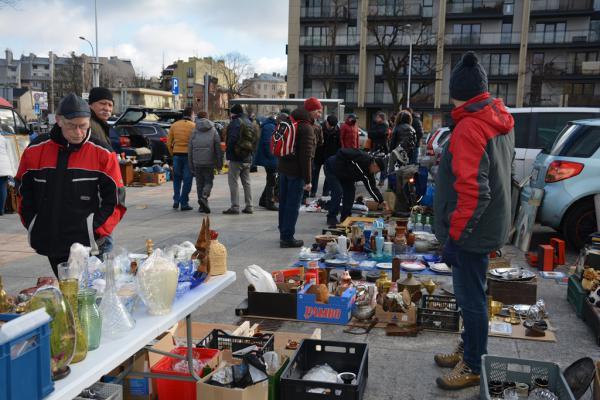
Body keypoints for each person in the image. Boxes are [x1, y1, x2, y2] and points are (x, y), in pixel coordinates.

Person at [433, 51, 514, 391]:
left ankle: (475, 363)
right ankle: (469, 347)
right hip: (488, 224)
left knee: (472, 299)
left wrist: (456, 236)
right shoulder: (498, 117)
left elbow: (473, 192)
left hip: (471, 230)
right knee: (474, 294)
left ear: (457, 93)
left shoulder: (470, 127)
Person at [15, 93, 126, 277]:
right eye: (71, 126)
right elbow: (22, 192)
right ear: (59, 120)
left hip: (90, 244)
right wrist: (34, 224)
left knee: (91, 296)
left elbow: (116, 200)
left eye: (83, 126)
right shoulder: (35, 150)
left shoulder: (103, 153)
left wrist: (95, 230)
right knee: (68, 295)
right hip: (51, 241)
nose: (78, 132)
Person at [277, 97, 320, 248]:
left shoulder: (290, 121)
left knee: (284, 203)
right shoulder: (306, 127)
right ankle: (287, 237)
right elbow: (306, 156)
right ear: (310, 110)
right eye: (317, 110)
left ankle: (283, 231)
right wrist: (308, 180)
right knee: (293, 205)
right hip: (296, 173)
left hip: (283, 169)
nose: (319, 114)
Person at [324, 148, 387, 227]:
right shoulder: (361, 156)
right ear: (374, 164)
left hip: (346, 176)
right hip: (332, 168)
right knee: (338, 191)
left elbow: (372, 188)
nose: (375, 173)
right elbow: (341, 152)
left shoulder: (369, 174)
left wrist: (381, 201)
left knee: (350, 192)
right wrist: (341, 169)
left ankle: (345, 217)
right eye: (376, 170)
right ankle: (331, 217)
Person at [223, 104, 255, 215]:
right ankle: (249, 206)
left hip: (236, 158)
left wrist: (229, 154)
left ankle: (235, 207)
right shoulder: (249, 122)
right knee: (247, 183)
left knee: (233, 182)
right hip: (247, 156)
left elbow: (231, 140)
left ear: (233, 113)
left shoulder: (235, 123)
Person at [189, 111, 222, 214]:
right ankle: (204, 197)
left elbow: (190, 149)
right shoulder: (213, 130)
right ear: (207, 117)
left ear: (198, 118)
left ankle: (202, 206)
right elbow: (218, 147)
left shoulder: (194, 130)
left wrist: (191, 164)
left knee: (199, 183)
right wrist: (219, 163)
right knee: (208, 181)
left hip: (197, 161)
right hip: (209, 161)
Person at [168, 107, 195, 211]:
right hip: (188, 156)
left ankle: (176, 199)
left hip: (176, 155)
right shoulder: (193, 126)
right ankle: (184, 203)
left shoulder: (174, 125)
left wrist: (172, 153)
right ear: (191, 115)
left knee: (177, 179)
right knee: (188, 180)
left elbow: (168, 143)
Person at [255, 113, 278, 211]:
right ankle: (270, 202)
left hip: (270, 158)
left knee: (271, 180)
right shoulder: (270, 127)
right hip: (270, 158)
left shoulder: (270, 126)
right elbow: (268, 144)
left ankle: (264, 200)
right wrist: (273, 158)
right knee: (272, 180)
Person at [313, 114, 340, 197]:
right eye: (329, 125)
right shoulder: (319, 128)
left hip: (330, 156)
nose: (330, 127)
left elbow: (339, 145)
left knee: (328, 175)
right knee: (314, 173)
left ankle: (325, 192)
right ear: (326, 122)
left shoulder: (338, 131)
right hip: (318, 154)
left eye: (333, 126)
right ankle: (313, 191)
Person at [368, 111, 390, 185]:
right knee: (373, 164)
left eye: (378, 117)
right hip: (375, 146)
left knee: (383, 164)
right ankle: (373, 179)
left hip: (382, 147)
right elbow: (370, 134)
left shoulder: (384, 125)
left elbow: (381, 133)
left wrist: (375, 133)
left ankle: (382, 180)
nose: (376, 118)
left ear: (381, 118)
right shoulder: (375, 124)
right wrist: (375, 133)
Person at [0, 134, 17, 215]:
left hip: (3, 167)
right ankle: (1, 210)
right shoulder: (3, 138)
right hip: (4, 167)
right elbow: (10, 153)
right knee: (2, 188)